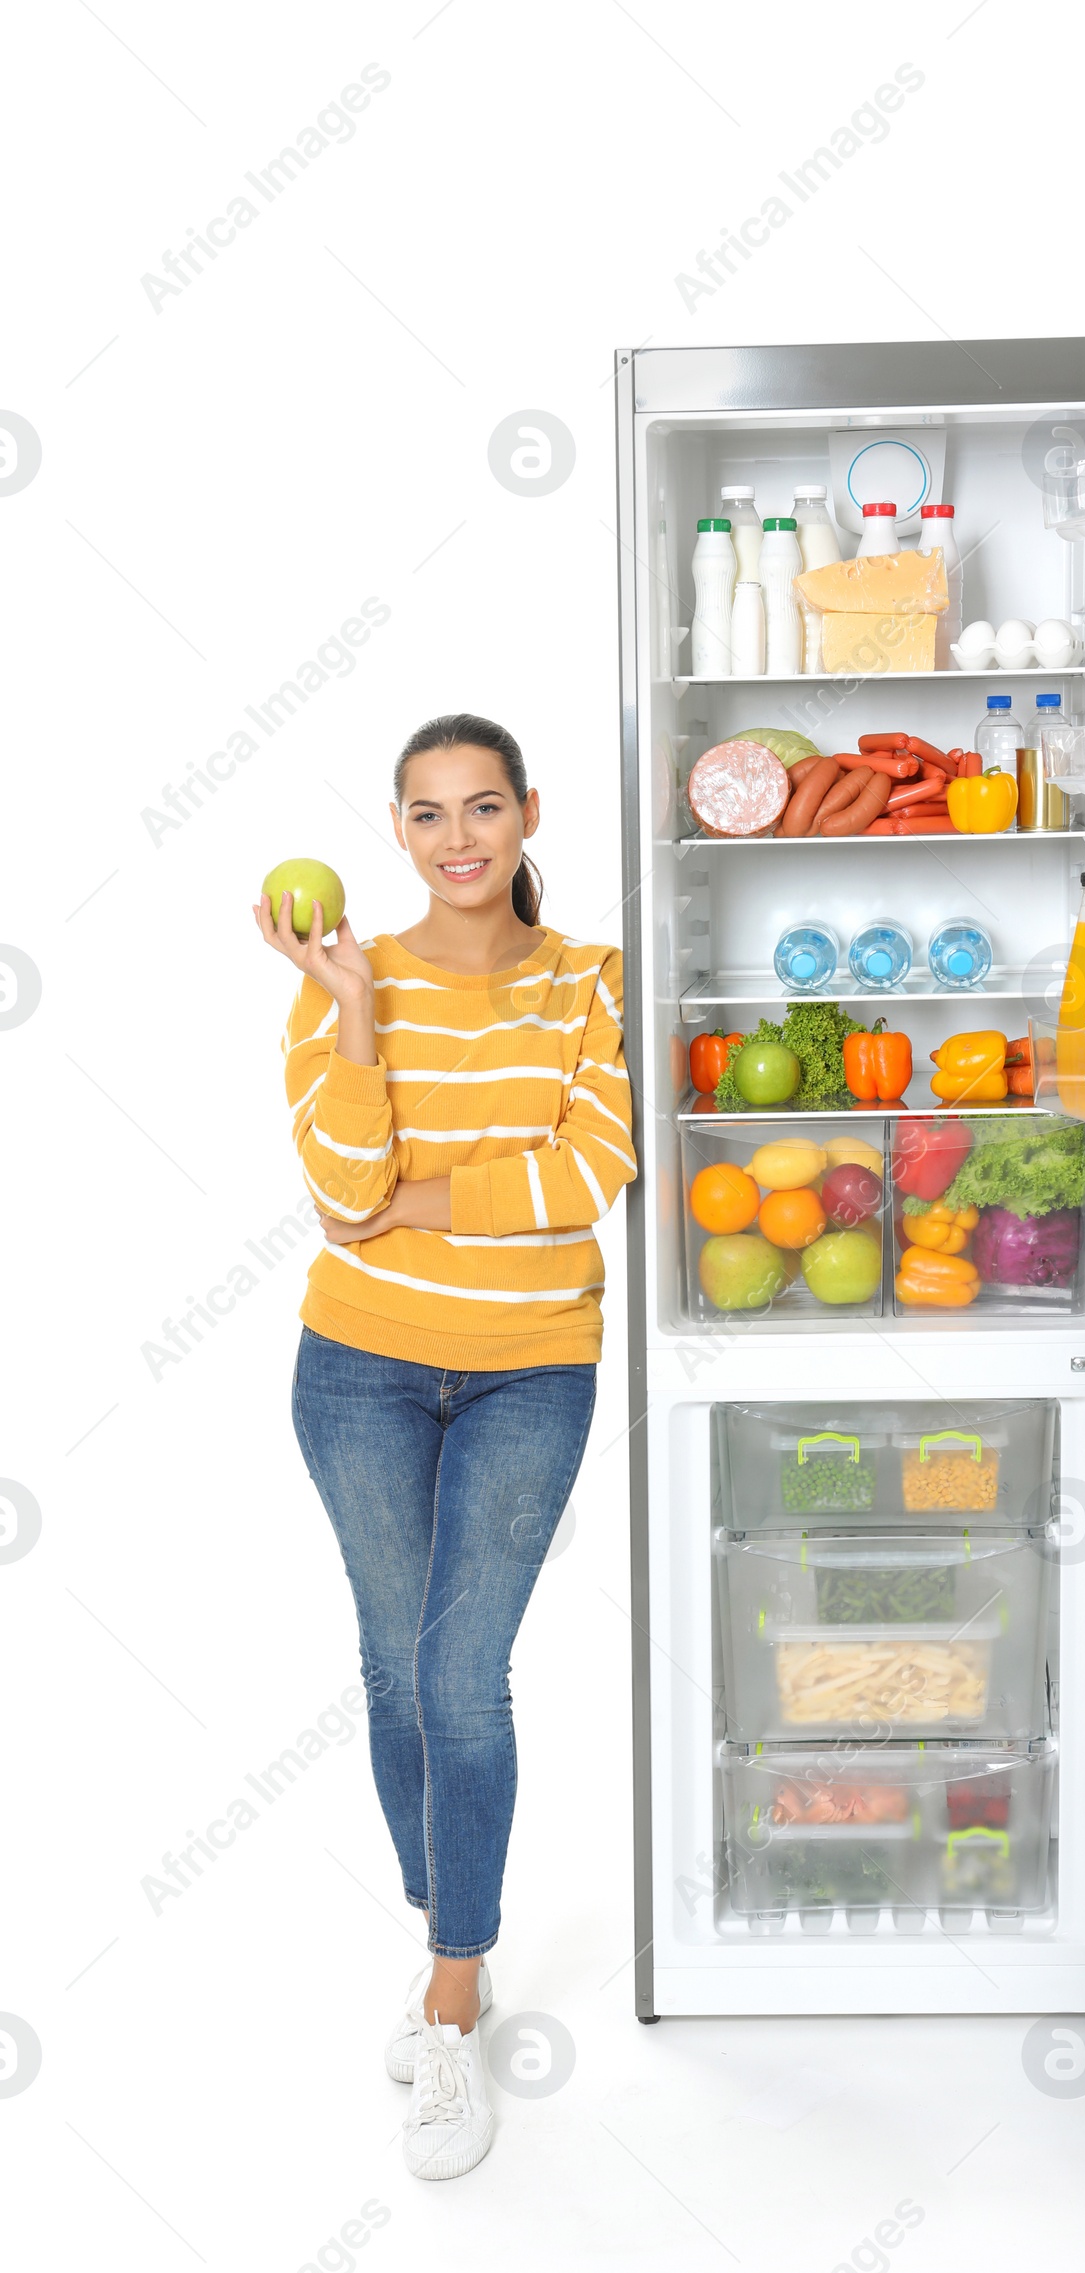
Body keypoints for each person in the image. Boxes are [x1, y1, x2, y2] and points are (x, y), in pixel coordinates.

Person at [253, 712, 633, 2181]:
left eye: (484, 808)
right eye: (427, 816)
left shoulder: (589, 982)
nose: (458, 839)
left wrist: (417, 1203)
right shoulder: (348, 978)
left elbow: (591, 1170)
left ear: (529, 814)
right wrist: (350, 1014)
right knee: (394, 1665)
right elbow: (335, 1175)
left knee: (463, 1675)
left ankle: (453, 2000)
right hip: (357, 1369)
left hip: (533, 1366)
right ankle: (443, 1918)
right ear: (399, 832)